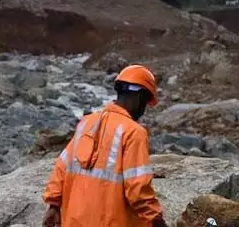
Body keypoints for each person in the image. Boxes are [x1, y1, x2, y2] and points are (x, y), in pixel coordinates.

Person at [42, 64, 168, 227]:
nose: (143, 110)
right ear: (140, 98)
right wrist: (156, 220)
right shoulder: (134, 132)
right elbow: (138, 190)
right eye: (145, 103)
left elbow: (62, 167)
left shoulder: (86, 123)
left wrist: (53, 205)